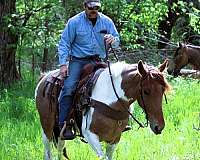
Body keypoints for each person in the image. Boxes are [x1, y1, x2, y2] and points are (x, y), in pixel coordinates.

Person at [58, 0, 120, 140]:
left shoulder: (106, 21)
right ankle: (64, 123)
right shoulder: (74, 22)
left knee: (112, 84)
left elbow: (117, 42)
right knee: (69, 88)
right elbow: (64, 43)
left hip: (98, 60)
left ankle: (116, 122)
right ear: (84, 6)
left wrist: (113, 40)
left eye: (96, 7)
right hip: (78, 60)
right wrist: (63, 64)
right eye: (91, 7)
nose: (94, 10)